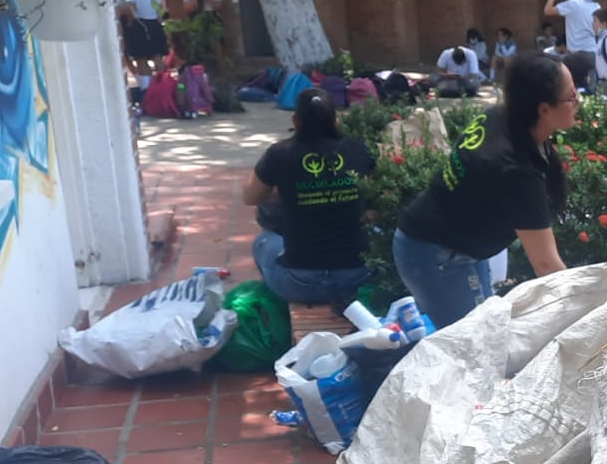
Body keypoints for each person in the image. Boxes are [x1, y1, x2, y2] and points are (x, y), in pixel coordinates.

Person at [393, 55, 578, 329]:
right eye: (572, 97)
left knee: (488, 334)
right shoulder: (515, 168)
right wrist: (586, 310)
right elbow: (547, 266)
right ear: (544, 109)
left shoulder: (503, 118)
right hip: (435, 255)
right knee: (476, 343)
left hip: (454, 247)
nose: (578, 102)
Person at [243, 89, 370, 304]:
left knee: (263, 241)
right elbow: (371, 191)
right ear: (335, 121)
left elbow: (250, 197)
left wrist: (290, 189)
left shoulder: (279, 154)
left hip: (300, 283)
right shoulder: (358, 149)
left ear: (296, 121)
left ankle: (277, 304)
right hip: (356, 279)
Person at [543, 0, 601, 89]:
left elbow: (547, 10)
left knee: (572, 86)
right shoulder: (597, 6)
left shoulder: (573, 4)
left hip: (577, 54)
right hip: (593, 52)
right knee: (591, 89)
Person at [118, 0, 168, 89]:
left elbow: (130, 11)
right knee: (157, 57)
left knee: (141, 59)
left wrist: (130, 24)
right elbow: (160, 14)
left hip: (139, 26)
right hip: (155, 26)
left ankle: (147, 89)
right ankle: (164, 86)